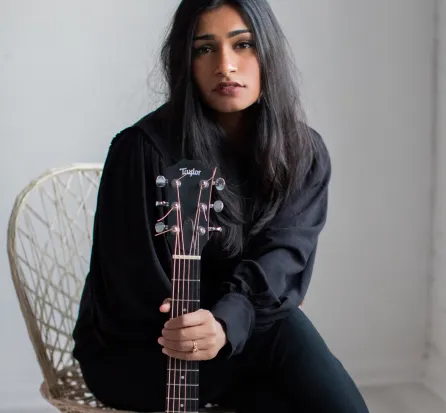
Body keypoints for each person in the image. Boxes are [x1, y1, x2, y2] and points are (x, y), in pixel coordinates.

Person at [71, 1, 370, 412]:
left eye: (243, 44)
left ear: (269, 53)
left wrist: (227, 323)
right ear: (185, 62)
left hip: (242, 339)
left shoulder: (303, 152)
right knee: (283, 334)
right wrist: (220, 322)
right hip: (142, 353)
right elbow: (132, 291)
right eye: (204, 49)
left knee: (283, 375)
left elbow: (283, 259)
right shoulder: (141, 151)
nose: (225, 66)